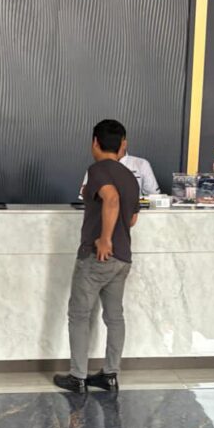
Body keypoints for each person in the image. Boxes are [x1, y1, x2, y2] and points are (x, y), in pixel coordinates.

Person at [54, 119, 140, 394]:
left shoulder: (98, 170)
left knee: (79, 315)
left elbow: (111, 199)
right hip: (122, 258)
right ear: (123, 144)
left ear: (95, 142)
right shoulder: (130, 176)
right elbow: (132, 218)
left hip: (98, 256)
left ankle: (78, 377)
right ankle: (110, 374)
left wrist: (104, 238)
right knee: (115, 317)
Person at [79, 152, 159, 198]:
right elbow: (85, 198)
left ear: (124, 142)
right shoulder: (95, 168)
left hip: (137, 217)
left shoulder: (141, 164)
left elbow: (154, 196)